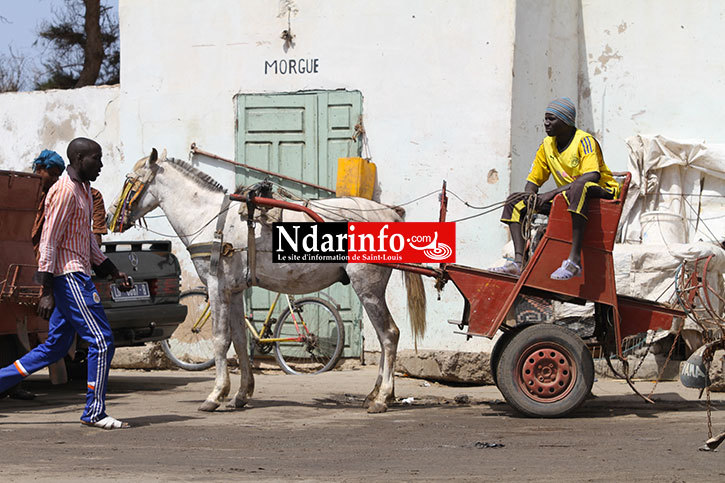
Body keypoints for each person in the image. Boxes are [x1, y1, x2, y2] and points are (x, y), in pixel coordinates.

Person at [0, 137, 134, 430]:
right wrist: (46, 290)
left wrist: (112, 271)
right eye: (96, 158)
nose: (101, 164)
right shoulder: (64, 191)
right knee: (101, 340)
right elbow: (49, 241)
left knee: (54, 348)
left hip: (77, 273)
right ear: (78, 159)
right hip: (68, 277)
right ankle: (94, 411)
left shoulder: (84, 190)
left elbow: (84, 240)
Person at [492, 97, 620, 280]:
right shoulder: (546, 145)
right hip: (569, 195)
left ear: (566, 121)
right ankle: (518, 263)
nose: (546, 123)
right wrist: (530, 199)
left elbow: (592, 175)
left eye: (551, 119)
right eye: (545, 118)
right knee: (515, 200)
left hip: (601, 191)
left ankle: (574, 261)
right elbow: (533, 181)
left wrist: (550, 194)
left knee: (579, 187)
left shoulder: (584, 141)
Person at [0, 150, 66, 401]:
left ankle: (11, 384)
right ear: (40, 169)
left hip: (33, 267)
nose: (55, 178)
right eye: (52, 173)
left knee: (21, 334)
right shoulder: (24, 193)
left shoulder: (54, 195)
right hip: (27, 265)